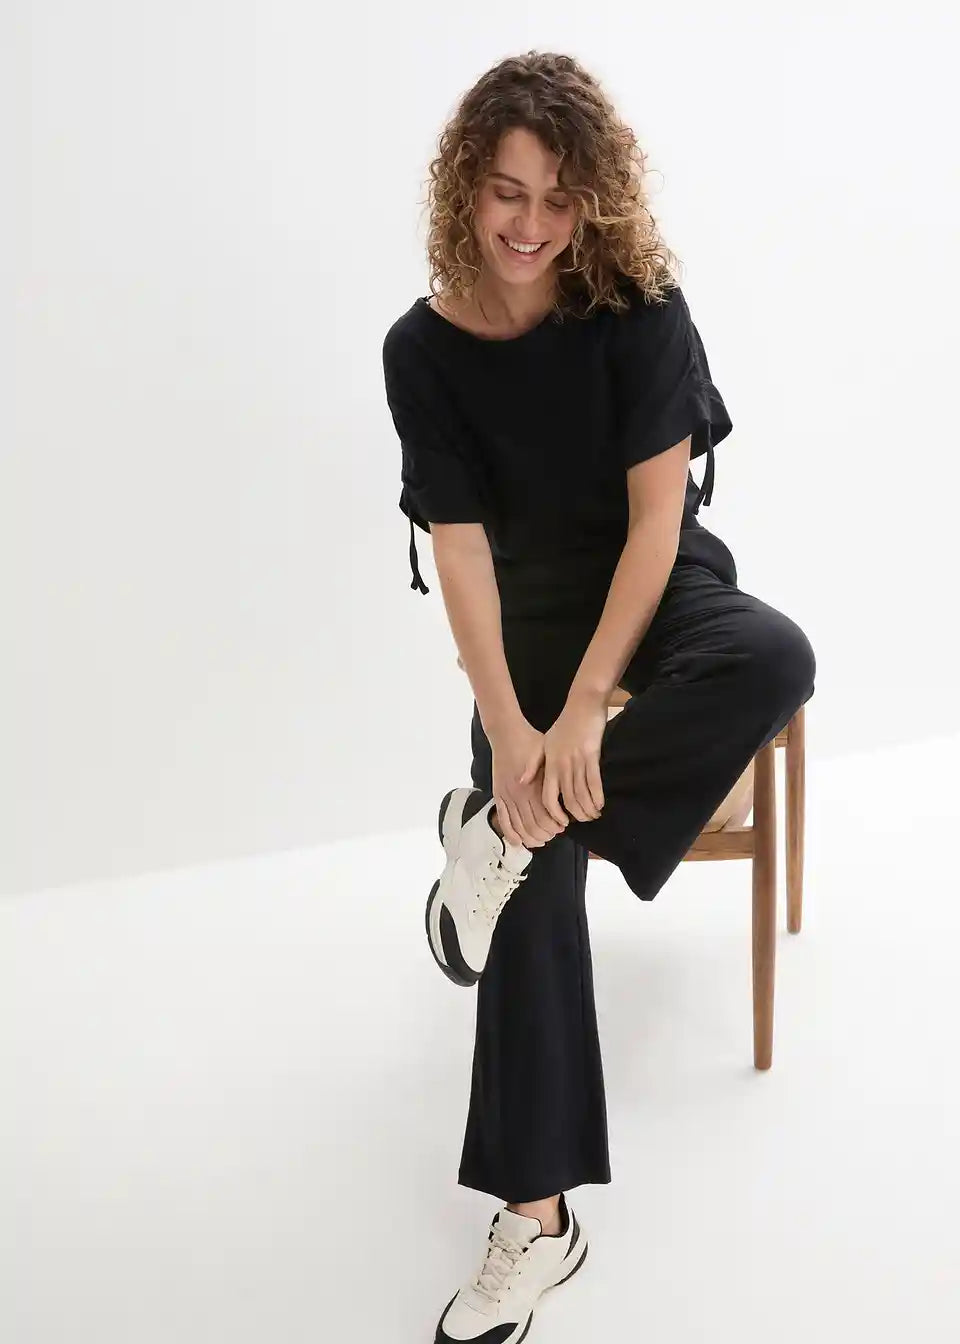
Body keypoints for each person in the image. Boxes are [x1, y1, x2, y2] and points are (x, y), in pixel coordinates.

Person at [381, 51, 816, 1344]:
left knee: (772, 655)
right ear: (466, 187)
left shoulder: (640, 309)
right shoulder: (421, 351)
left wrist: (581, 720)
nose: (530, 225)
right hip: (522, 623)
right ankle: (539, 1222)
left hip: (655, 585)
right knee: (536, 879)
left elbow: (655, 526)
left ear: (595, 202)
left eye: (559, 200)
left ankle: (500, 837)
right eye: (507, 192)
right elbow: (461, 556)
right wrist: (516, 729)